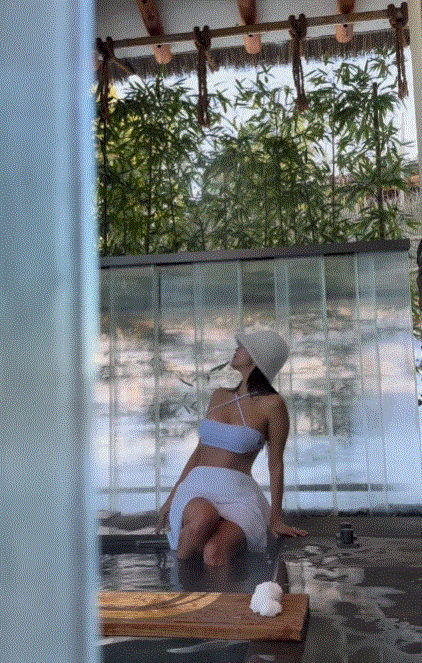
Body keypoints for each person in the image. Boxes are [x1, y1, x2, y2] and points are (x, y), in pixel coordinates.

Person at [156, 330, 308, 567]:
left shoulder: (273, 405)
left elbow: (276, 463)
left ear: (258, 358)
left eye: (243, 346)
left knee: (214, 552)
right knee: (203, 519)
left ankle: (217, 593)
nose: (236, 348)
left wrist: (276, 519)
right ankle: (179, 586)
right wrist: (171, 498)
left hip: (239, 495)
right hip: (197, 488)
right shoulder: (219, 395)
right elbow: (198, 454)